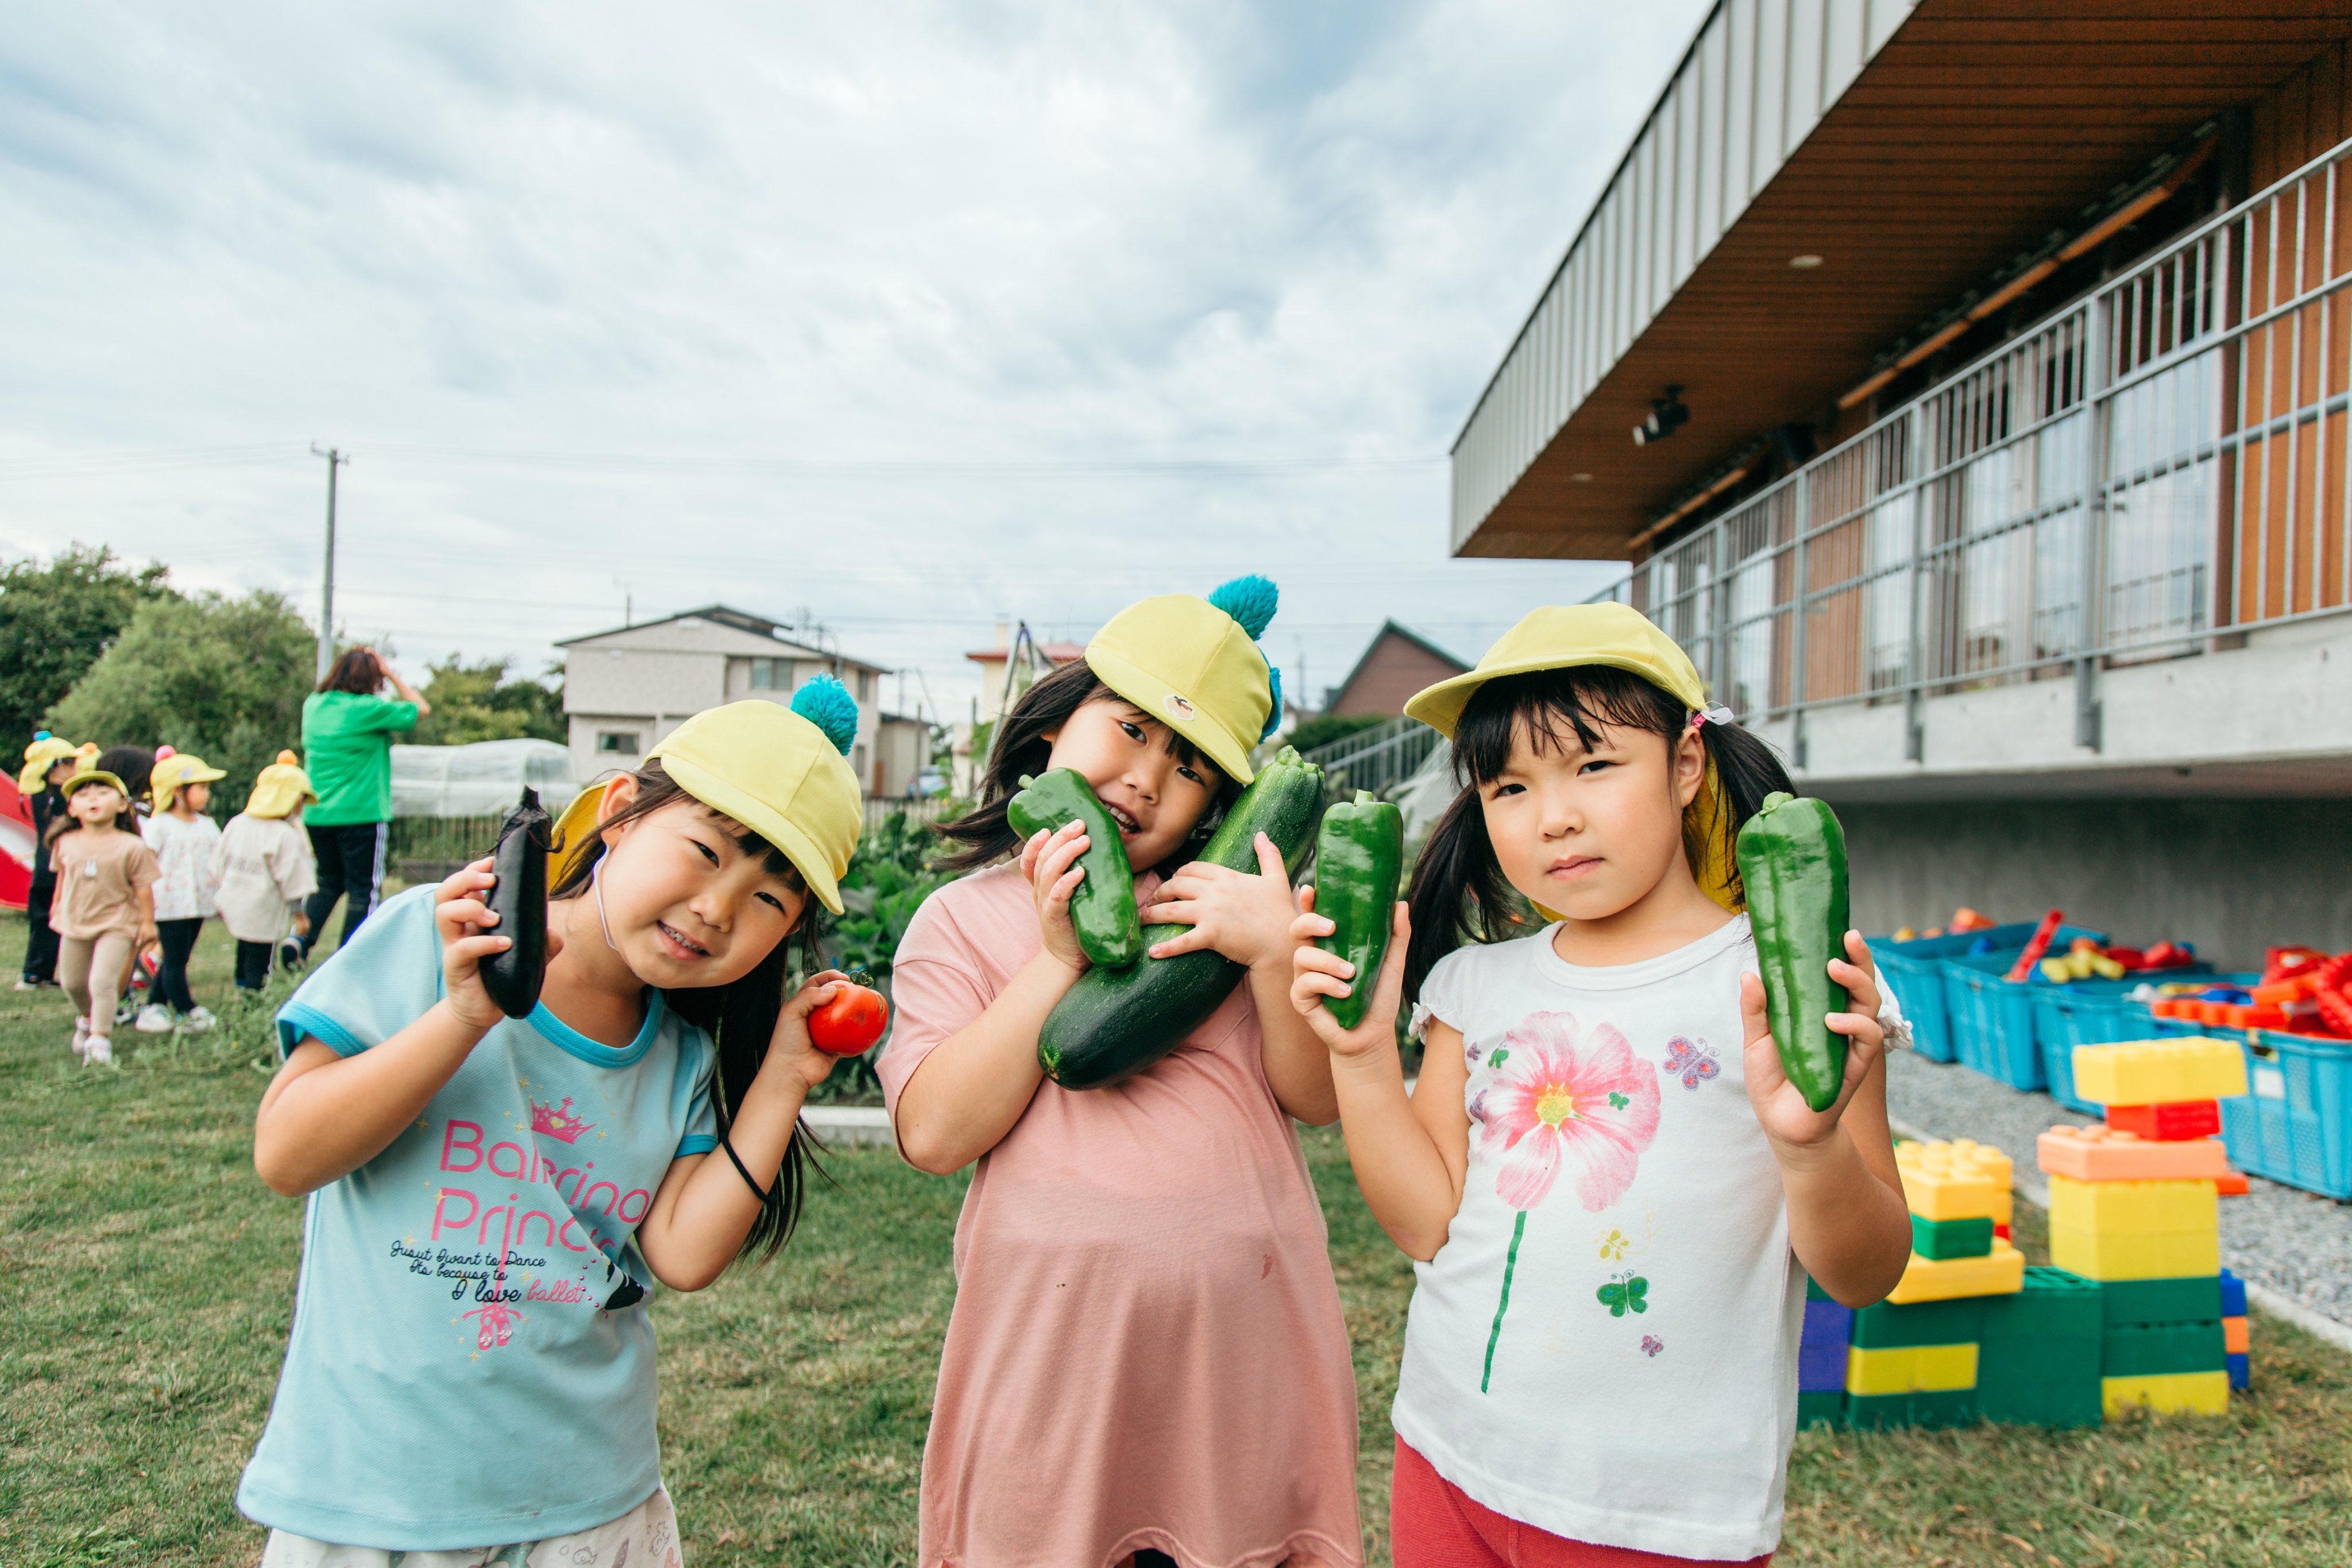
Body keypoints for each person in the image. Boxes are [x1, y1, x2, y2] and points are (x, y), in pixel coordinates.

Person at [1285, 604, 1913, 1568]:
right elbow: (1424, 1226)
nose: (1554, 816)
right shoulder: (1472, 988)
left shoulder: (1787, 984)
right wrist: (1364, 1055)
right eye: (1509, 787)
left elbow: (1863, 1274)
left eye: (1593, 765)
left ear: (1686, 763)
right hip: (1448, 1458)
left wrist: (1812, 1147)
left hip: (1660, 1518)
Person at [238, 683, 866, 1566]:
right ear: (618, 814)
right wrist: (464, 1014)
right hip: (372, 1495)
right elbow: (288, 1151)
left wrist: (787, 1075)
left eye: (772, 899)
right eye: (704, 849)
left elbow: (683, 1254)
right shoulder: (442, 936)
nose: (719, 907)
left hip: (588, 1504)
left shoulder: (679, 1054)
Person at [881, 577, 1362, 1568]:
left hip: (1241, 1369)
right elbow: (933, 1134)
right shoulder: (963, 921)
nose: (1146, 777)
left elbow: (1314, 1099)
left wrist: (1273, 954)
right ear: (1051, 729)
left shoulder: (1230, 912)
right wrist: (1058, 959)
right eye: (1131, 729)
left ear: (1217, 810)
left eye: (1189, 767)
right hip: (1052, 1370)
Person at [298, 646, 431, 959]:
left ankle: (299, 941)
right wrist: (389, 673)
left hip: (316, 813)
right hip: (361, 813)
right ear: (372, 679)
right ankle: (352, 958)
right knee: (364, 890)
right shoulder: (369, 709)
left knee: (328, 884)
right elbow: (420, 708)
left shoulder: (313, 705)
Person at [48, 766, 160, 1068]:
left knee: (102, 981)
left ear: (122, 804)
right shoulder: (65, 843)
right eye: (84, 795)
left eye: (102, 793)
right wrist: (56, 907)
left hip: (117, 923)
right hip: (75, 921)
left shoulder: (132, 846)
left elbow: (143, 889)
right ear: (72, 808)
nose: (93, 799)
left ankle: (99, 1039)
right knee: (72, 983)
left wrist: (147, 924)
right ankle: (87, 1018)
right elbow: (62, 880)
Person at [213, 751, 320, 995]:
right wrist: (300, 916)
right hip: (263, 910)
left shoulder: (238, 823)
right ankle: (254, 1000)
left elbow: (219, 861)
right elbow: (292, 880)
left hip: (236, 901)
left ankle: (242, 990)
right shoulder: (284, 835)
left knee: (244, 950)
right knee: (260, 960)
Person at [137, 749, 229, 1033]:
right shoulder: (160, 826)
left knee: (179, 957)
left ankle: (155, 1006)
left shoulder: (207, 824)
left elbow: (218, 858)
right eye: (201, 788)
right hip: (169, 905)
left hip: (198, 904)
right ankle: (186, 1010)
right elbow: (144, 864)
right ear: (178, 791)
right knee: (176, 959)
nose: (207, 794)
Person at [16, 733, 80, 990]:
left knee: (49, 921)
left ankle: (42, 972)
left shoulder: (43, 794)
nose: (76, 768)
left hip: (47, 865)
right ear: (57, 767)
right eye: (72, 762)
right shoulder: (54, 797)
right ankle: (33, 973)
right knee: (46, 919)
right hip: (52, 867)